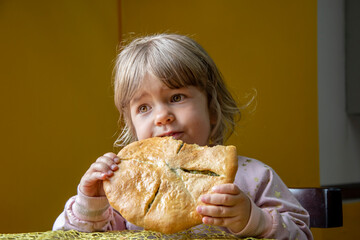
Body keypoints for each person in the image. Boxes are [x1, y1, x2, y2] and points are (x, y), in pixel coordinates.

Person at [53, 33, 313, 239]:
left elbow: (301, 235)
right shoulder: (126, 191)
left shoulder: (255, 178)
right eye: (144, 107)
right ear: (131, 123)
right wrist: (92, 202)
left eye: (176, 97)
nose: (162, 116)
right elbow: (67, 237)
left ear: (212, 109)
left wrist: (253, 220)